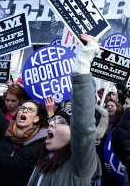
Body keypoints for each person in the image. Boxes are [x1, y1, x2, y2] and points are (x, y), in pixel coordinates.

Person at [27, 34, 102, 186]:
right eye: (53, 120)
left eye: (61, 121)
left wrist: (83, 64)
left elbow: (83, 127)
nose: (52, 123)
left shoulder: (79, 166)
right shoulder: (43, 158)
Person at [0, 97, 48, 186]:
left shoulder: (42, 143)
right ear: (18, 113)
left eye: (30, 110)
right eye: (22, 108)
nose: (24, 111)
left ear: (36, 119)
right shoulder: (4, 130)